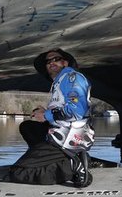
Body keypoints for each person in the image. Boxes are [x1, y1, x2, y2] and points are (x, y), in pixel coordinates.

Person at [9, 48, 94, 186]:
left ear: (65, 63)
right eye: (48, 61)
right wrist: (45, 111)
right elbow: (63, 109)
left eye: (56, 59)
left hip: (71, 136)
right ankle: (50, 159)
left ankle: (72, 166)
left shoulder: (72, 77)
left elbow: (77, 111)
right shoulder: (59, 82)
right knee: (27, 127)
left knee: (18, 173)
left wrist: (46, 115)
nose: (51, 62)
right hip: (57, 131)